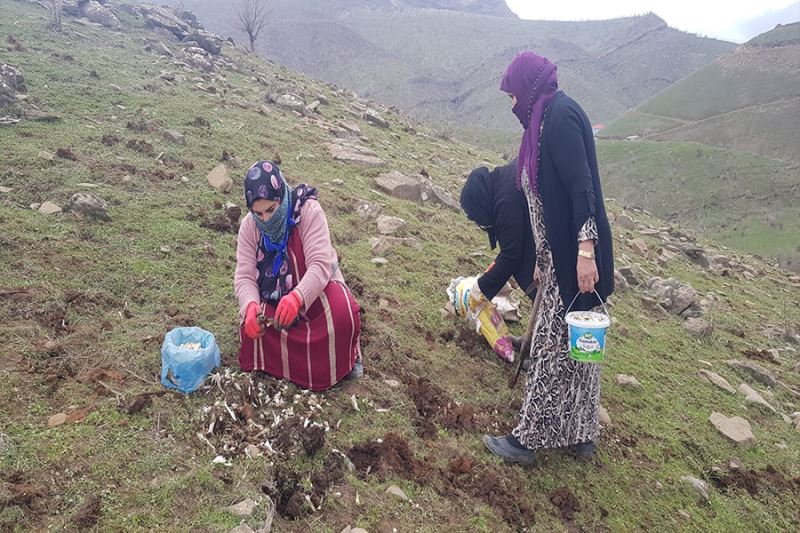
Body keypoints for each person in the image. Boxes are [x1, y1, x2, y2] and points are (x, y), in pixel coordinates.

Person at [483, 51, 614, 463]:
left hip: (577, 258)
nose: (511, 106)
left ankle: (528, 439)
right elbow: (546, 201)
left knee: (553, 348)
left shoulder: (561, 118)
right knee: (580, 345)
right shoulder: (540, 123)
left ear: (528, 89)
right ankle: (581, 433)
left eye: (513, 95)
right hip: (559, 257)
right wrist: (543, 258)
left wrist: (585, 251)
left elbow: (582, 189)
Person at [234, 160, 362, 391]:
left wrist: (297, 297)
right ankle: (287, 362)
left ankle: (344, 361)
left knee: (343, 314)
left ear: (281, 196)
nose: (266, 220)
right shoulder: (248, 227)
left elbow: (320, 265)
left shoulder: (308, 211)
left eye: (271, 210)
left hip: (314, 296)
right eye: (258, 213)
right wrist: (250, 306)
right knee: (250, 327)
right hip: (275, 303)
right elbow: (244, 277)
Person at [460, 159, 537, 304]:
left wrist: (480, 289)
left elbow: (511, 256)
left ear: (481, 204)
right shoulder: (501, 180)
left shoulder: (506, 202)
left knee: (522, 263)